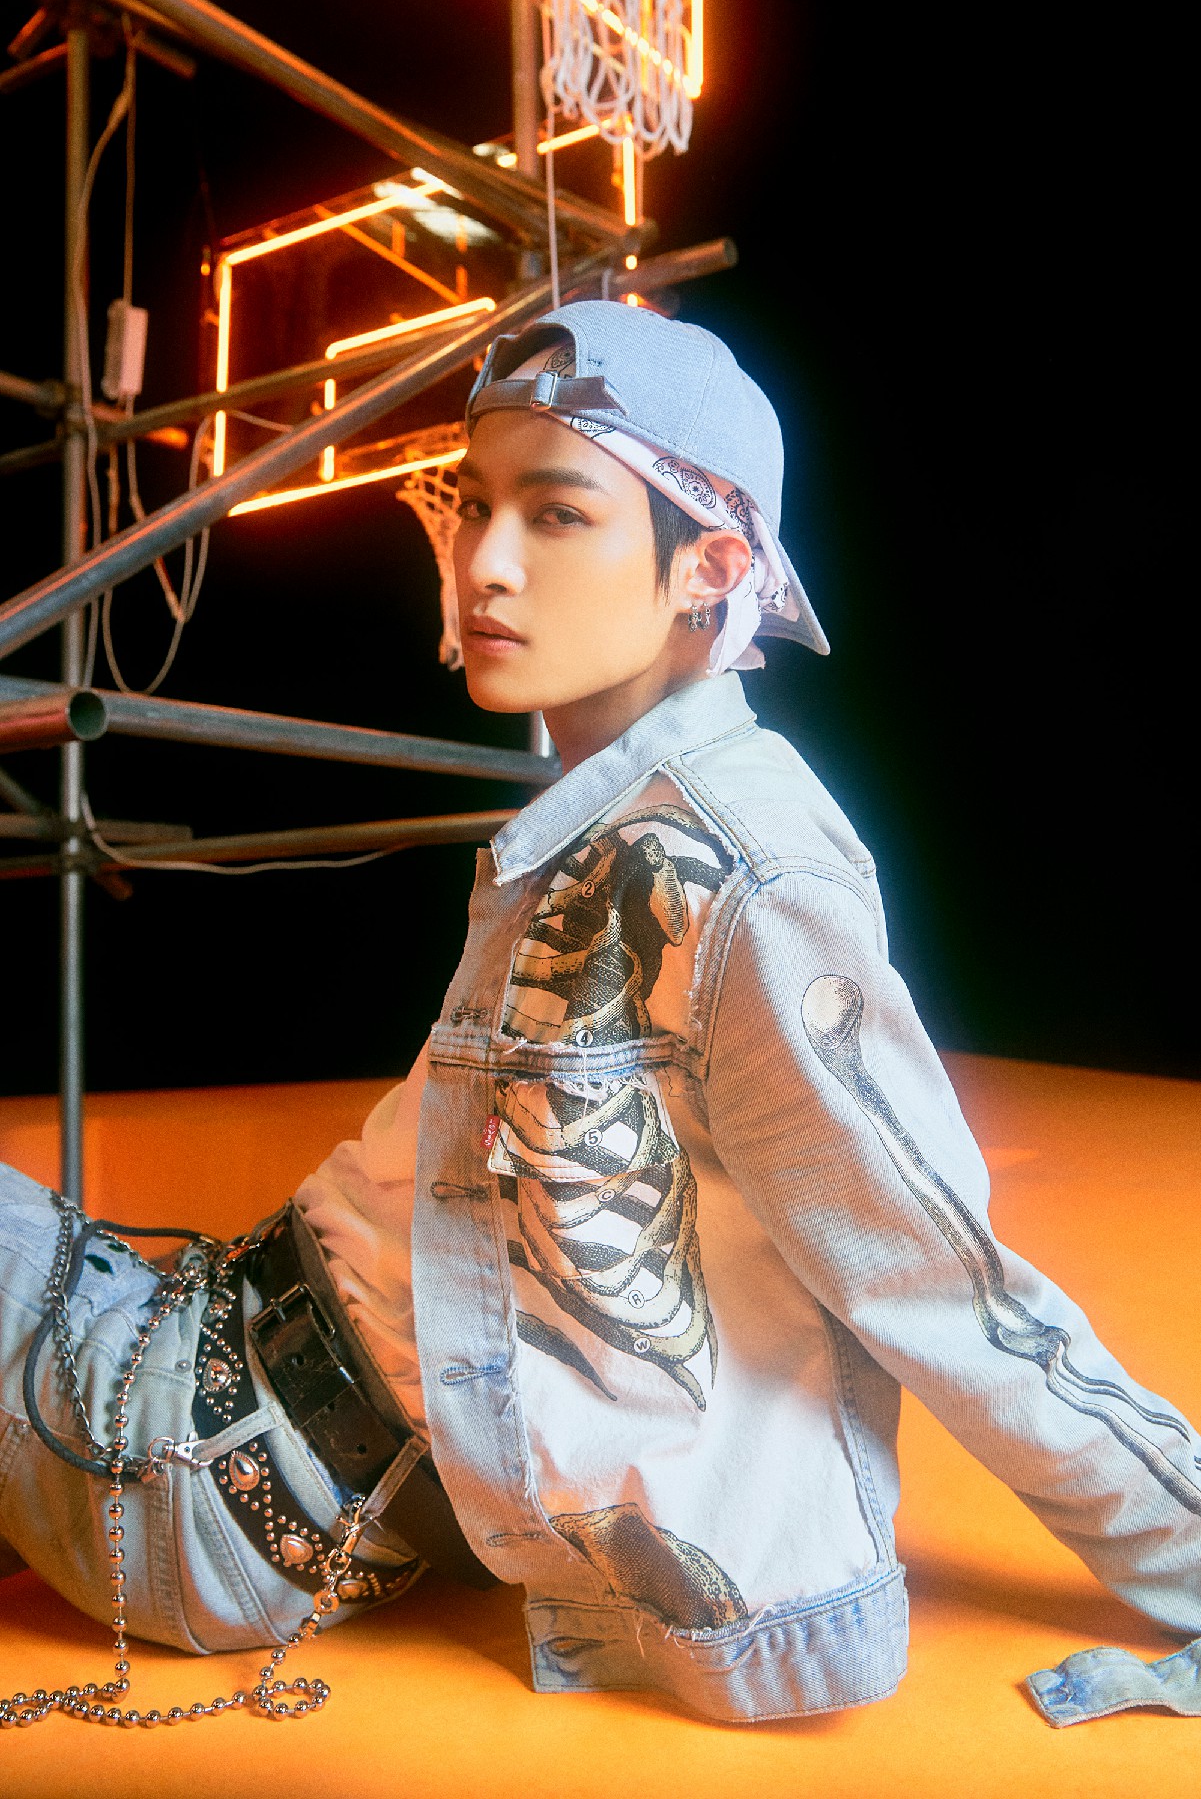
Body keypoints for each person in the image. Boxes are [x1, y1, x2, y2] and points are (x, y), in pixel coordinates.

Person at [2, 300, 1199, 1731]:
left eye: (558, 514)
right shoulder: (606, 819)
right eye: (474, 506)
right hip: (225, 1382)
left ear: (710, 567)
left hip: (196, 1488)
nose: (484, 564)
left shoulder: (739, 871)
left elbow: (942, 1280)